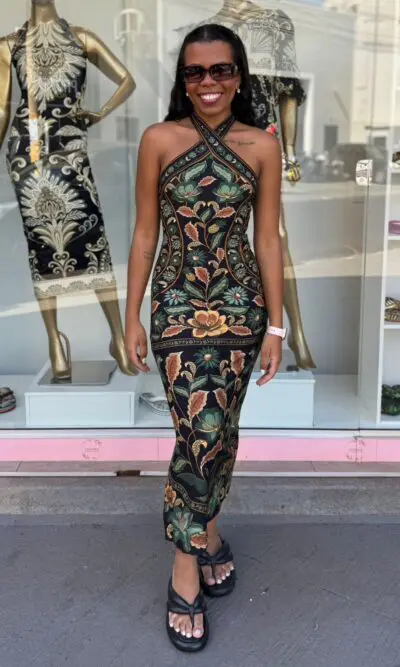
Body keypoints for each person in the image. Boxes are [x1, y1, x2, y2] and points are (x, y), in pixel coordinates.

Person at [125, 23, 284, 652]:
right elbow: (145, 233)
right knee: (199, 433)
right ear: (183, 81)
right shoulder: (159, 139)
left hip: (241, 309)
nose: (209, 82)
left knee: (222, 430)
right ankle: (186, 564)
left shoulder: (261, 145)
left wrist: (275, 325)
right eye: (195, 72)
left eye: (221, 70)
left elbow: (268, 240)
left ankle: (209, 531)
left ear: (239, 76)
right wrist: (130, 317)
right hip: (176, 305)